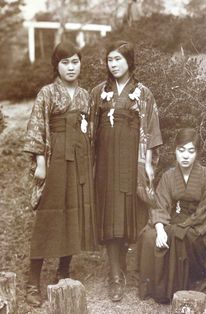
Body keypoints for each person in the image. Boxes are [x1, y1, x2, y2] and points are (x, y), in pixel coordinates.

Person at [23, 40, 97, 307]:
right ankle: (32, 281)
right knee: (48, 218)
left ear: (81, 64)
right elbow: (37, 127)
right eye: (64, 62)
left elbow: (89, 132)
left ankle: (63, 272)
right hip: (54, 161)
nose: (70, 67)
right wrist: (41, 163)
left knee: (73, 215)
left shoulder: (85, 95)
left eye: (75, 62)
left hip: (78, 162)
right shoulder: (47, 93)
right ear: (56, 66)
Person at [90, 40, 162, 301]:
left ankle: (134, 270)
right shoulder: (99, 92)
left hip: (133, 162)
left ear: (129, 61)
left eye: (118, 59)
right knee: (111, 215)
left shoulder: (143, 93)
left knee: (133, 213)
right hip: (106, 165)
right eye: (110, 59)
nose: (114, 64)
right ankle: (115, 276)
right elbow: (89, 132)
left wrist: (148, 166)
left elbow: (152, 131)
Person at [138, 128, 206, 304]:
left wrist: (178, 228)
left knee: (179, 236)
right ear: (175, 150)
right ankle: (154, 287)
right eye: (181, 150)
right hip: (173, 217)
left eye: (191, 151)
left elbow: (204, 212)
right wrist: (160, 228)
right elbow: (161, 204)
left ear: (197, 153)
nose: (185, 156)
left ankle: (173, 288)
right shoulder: (168, 176)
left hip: (197, 226)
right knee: (149, 235)